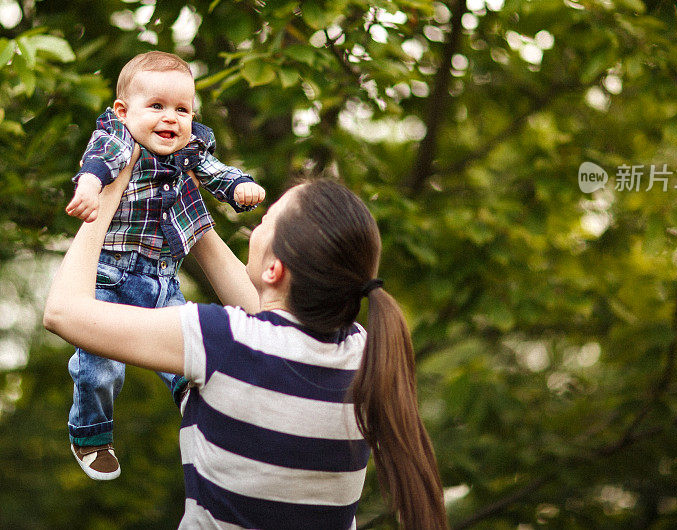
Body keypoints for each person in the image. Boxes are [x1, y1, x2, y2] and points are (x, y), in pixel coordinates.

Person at [45, 155, 448, 529]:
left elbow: (62, 312)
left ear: (275, 268)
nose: (256, 228)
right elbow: (268, 315)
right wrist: (178, 192)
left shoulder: (221, 340)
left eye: (265, 222)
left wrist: (110, 190)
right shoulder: (363, 355)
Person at [63, 51, 266, 480]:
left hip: (161, 279)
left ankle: (207, 416)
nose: (169, 118)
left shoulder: (190, 148)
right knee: (100, 371)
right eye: (156, 106)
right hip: (109, 277)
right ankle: (91, 433)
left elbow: (214, 170)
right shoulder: (119, 138)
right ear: (123, 111)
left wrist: (240, 186)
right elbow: (98, 163)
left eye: (181, 109)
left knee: (190, 363)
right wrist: (88, 187)